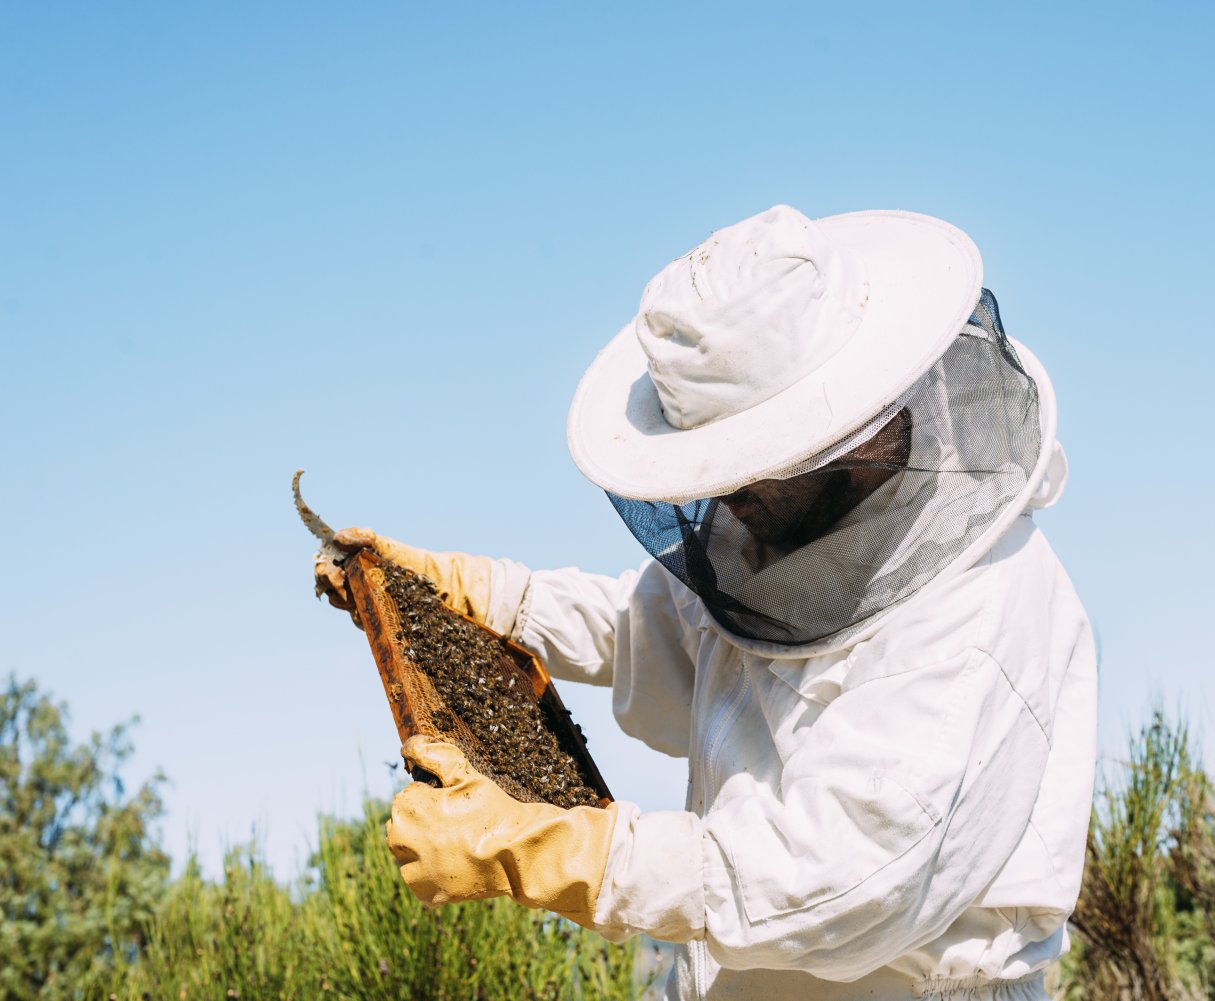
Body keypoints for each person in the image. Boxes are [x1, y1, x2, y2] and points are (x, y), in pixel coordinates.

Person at [315, 205, 1096, 1000]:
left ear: (837, 438)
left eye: (744, 469)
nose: (724, 499)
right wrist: (487, 597)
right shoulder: (782, 540)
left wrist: (562, 853)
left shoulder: (972, 616)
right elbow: (652, 627)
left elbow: (829, 877)